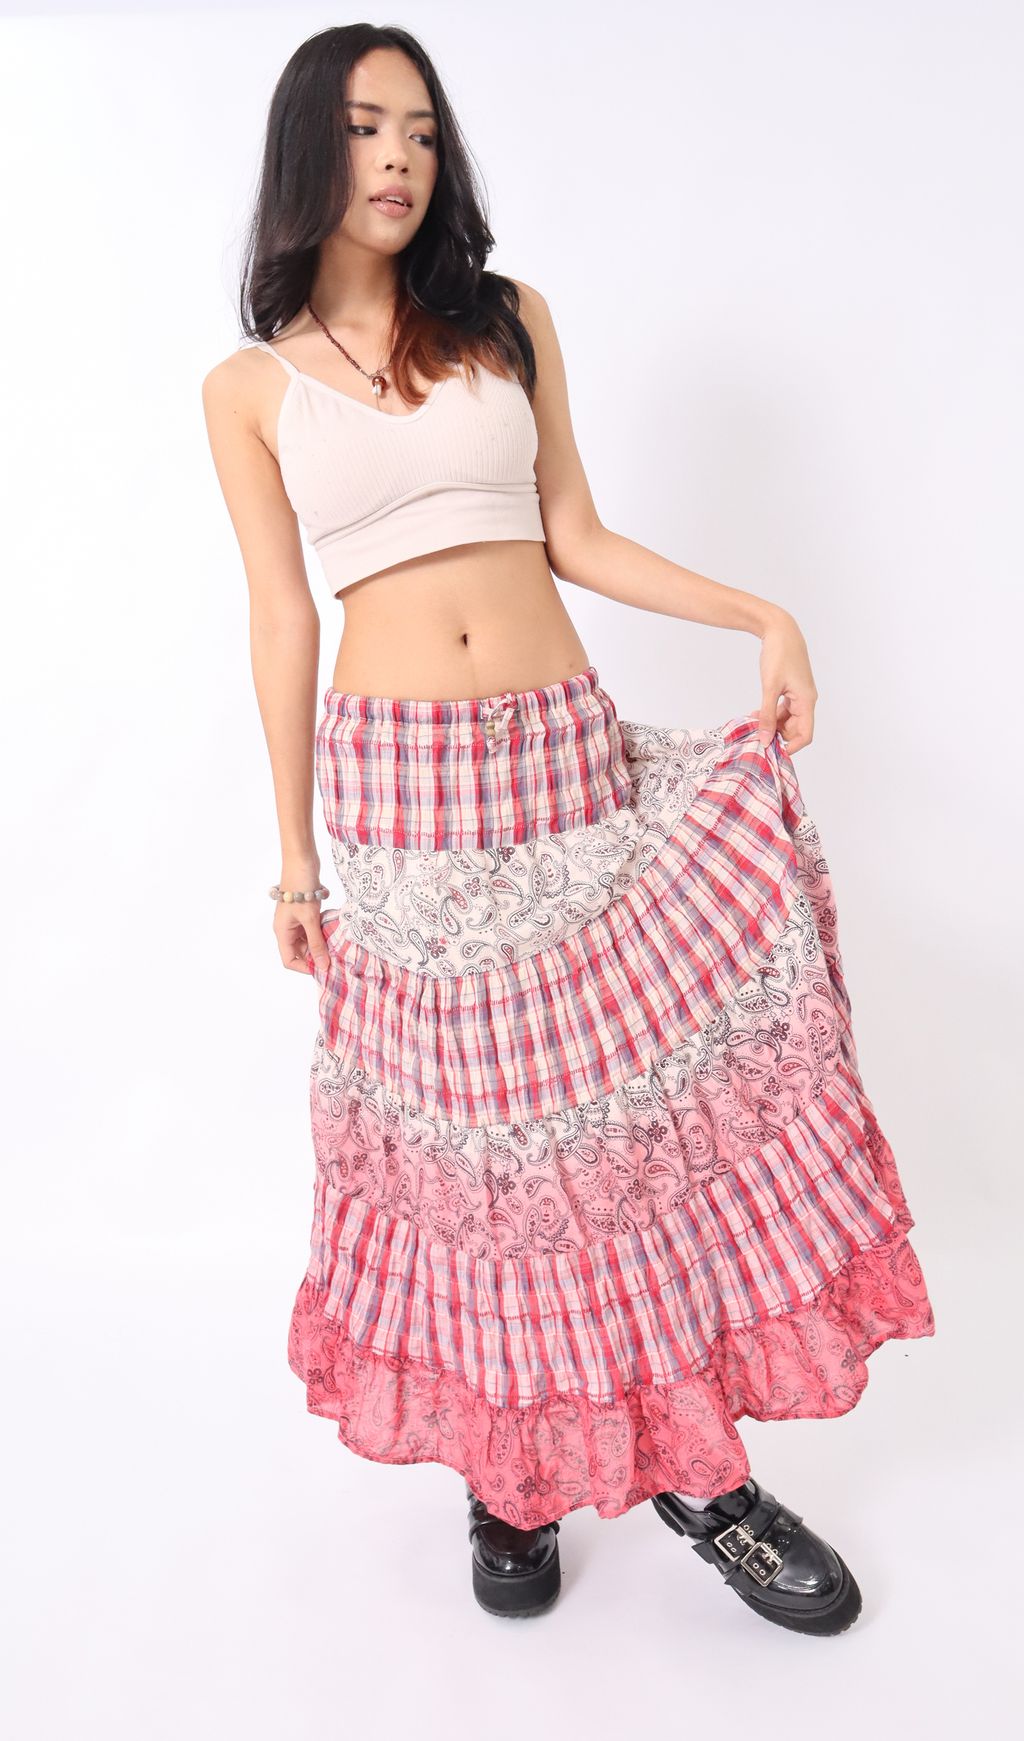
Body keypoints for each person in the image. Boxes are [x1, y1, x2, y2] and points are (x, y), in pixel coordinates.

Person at [201, 23, 934, 1633]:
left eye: (420, 130)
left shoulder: (506, 321)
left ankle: (704, 1480)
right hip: (402, 800)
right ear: (307, 152)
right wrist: (294, 855)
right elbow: (282, 620)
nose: (398, 158)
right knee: (485, 1165)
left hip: (561, 758)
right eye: (365, 128)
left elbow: (575, 534)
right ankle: (511, 1472)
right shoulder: (248, 389)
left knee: (617, 1149)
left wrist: (763, 613)